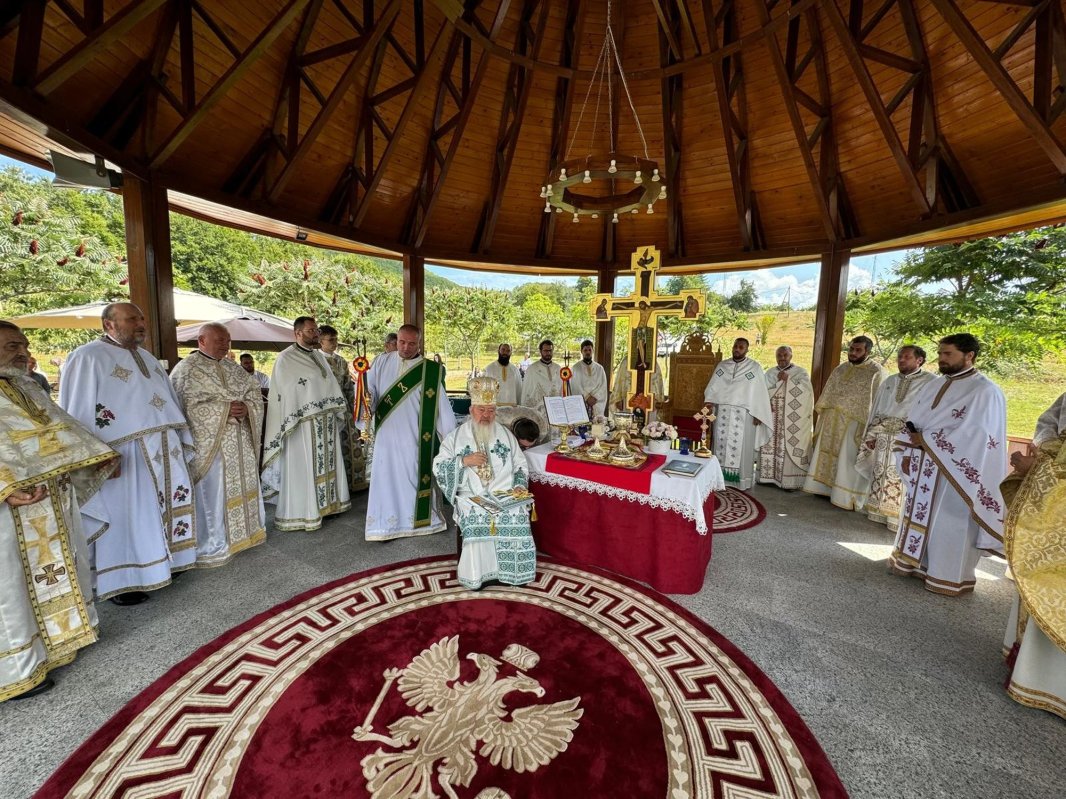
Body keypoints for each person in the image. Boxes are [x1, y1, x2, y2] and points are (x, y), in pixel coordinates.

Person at [0, 321, 118, 701]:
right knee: (11, 585)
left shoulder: (26, 385)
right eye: (11, 345)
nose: (22, 351)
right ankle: (15, 669)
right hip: (11, 504)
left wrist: (93, 457)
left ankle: (57, 641)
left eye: (23, 344)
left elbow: (62, 429)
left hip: (48, 494)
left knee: (56, 568)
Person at [59, 302, 199, 605]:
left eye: (141, 317)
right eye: (132, 318)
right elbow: (77, 411)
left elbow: (166, 401)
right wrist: (95, 457)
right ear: (109, 325)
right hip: (121, 453)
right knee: (126, 515)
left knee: (159, 510)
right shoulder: (86, 357)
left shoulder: (147, 357)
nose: (140, 323)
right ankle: (123, 582)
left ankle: (164, 564)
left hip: (163, 447)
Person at [889, 333, 1007, 596]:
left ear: (969, 356)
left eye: (948, 354)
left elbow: (978, 434)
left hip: (956, 472)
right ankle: (915, 564)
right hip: (924, 463)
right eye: (940, 353)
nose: (941, 359)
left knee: (949, 522)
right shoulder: (934, 383)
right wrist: (909, 445)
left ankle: (947, 576)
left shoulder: (985, 391)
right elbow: (915, 416)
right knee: (918, 514)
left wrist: (927, 439)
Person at [170, 322, 266, 566]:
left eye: (227, 340)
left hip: (240, 441)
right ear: (202, 341)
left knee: (243, 487)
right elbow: (184, 406)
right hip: (211, 445)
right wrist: (224, 409)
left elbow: (254, 394)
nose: (225, 345)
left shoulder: (234, 368)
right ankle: (214, 544)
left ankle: (246, 534)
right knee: (214, 492)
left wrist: (247, 408)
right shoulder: (187, 370)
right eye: (219, 340)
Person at [433, 376, 535, 590]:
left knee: (516, 513)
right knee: (476, 513)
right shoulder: (456, 437)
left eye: (490, 410)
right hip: (471, 494)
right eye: (481, 410)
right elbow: (439, 466)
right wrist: (463, 461)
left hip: (505, 493)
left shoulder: (506, 435)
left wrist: (518, 485)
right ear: (472, 410)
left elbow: (520, 464)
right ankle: (478, 576)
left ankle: (514, 573)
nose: (486, 416)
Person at [1000, 391, 1066, 719]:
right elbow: (1049, 421)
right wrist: (1043, 454)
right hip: (1053, 492)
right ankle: (1033, 672)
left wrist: (1044, 462)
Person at [363, 323, 456, 540]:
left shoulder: (430, 370)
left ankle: (418, 522)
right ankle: (383, 525)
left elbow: (443, 409)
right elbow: (371, 391)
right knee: (385, 478)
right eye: (401, 342)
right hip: (386, 434)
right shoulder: (381, 362)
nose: (405, 347)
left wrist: (450, 439)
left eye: (411, 343)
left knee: (411, 477)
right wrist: (366, 400)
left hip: (414, 438)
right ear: (396, 340)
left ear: (419, 343)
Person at [261, 317, 351, 531]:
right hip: (301, 425)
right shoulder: (286, 358)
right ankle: (305, 512)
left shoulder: (319, 357)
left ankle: (328, 506)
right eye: (311, 330)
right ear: (298, 333)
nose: (316, 334)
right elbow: (287, 393)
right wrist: (308, 409)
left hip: (325, 423)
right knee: (306, 467)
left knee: (326, 465)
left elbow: (329, 385)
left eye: (317, 330)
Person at [855, 345, 936, 530]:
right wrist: (872, 434)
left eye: (906, 357)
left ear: (919, 360)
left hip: (907, 438)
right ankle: (877, 511)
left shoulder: (931, 382)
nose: (901, 360)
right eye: (900, 357)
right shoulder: (890, 381)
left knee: (901, 474)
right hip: (883, 436)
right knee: (880, 472)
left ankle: (897, 519)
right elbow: (877, 409)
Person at [802, 336, 887, 509]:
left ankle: (845, 496)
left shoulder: (876, 372)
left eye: (858, 350)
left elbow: (878, 403)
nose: (853, 353)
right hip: (831, 420)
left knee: (846, 458)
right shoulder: (841, 368)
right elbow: (829, 393)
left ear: (868, 352)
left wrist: (871, 430)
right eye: (851, 349)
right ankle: (823, 488)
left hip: (855, 424)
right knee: (827, 454)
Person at [702, 337, 773, 489]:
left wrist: (758, 414)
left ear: (747, 350)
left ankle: (741, 481)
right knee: (720, 444)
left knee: (742, 448)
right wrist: (709, 401)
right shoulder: (722, 366)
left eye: (741, 347)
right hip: (722, 413)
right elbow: (714, 386)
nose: (737, 349)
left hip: (745, 414)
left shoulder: (754, 368)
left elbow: (759, 392)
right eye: (736, 346)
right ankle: (719, 478)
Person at [757, 345, 813, 490]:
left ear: (791, 356)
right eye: (779, 356)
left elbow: (807, 393)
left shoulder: (800, 373)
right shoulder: (770, 372)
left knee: (786, 444)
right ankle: (767, 478)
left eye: (785, 355)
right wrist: (764, 405)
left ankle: (789, 482)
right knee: (770, 442)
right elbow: (761, 392)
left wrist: (790, 381)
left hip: (790, 418)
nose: (782, 358)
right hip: (772, 416)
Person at [319, 324, 365, 491]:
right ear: (320, 341)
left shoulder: (341, 361)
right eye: (331, 340)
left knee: (348, 446)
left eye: (336, 339)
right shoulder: (316, 361)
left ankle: (351, 483)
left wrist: (353, 410)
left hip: (343, 409)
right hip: (327, 411)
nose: (335, 343)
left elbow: (348, 386)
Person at [569, 339, 609, 419]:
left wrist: (595, 397)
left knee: (596, 427)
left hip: (596, 402)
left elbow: (603, 385)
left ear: (592, 351)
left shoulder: (599, 368)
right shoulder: (576, 368)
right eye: (585, 350)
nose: (587, 352)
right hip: (582, 401)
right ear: (581, 351)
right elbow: (575, 385)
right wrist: (587, 397)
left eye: (589, 350)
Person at [521, 339, 562, 412]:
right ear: (540, 351)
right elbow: (526, 391)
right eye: (546, 351)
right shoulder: (532, 369)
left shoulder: (558, 368)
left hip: (556, 408)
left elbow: (562, 388)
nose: (548, 353)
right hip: (537, 410)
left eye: (550, 350)